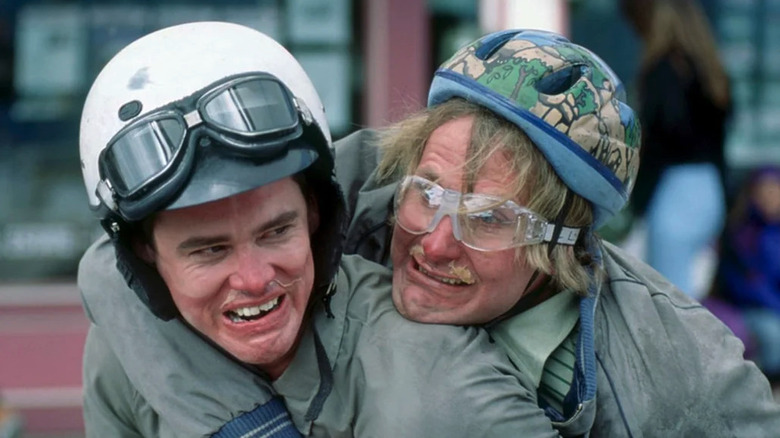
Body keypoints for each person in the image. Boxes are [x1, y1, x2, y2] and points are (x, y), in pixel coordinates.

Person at [80, 27, 780, 437]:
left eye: (489, 221)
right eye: (428, 194)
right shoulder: (360, 182)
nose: (435, 243)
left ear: (562, 244)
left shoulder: (683, 369)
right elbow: (118, 266)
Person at [77, 21, 558, 438]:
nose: (253, 278)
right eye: (209, 251)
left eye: (275, 232)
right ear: (145, 254)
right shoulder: (122, 356)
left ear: (315, 216)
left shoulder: (439, 385)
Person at [621, 0, 731, 299]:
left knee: (671, 301)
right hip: (708, 189)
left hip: (675, 191)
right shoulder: (711, 72)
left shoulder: (663, 72)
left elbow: (661, 142)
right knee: (684, 294)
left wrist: (634, 200)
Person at [715, 165, 780, 384]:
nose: (770, 197)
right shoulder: (741, 234)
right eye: (764, 191)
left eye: (775, 191)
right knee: (773, 334)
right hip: (750, 310)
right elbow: (744, 284)